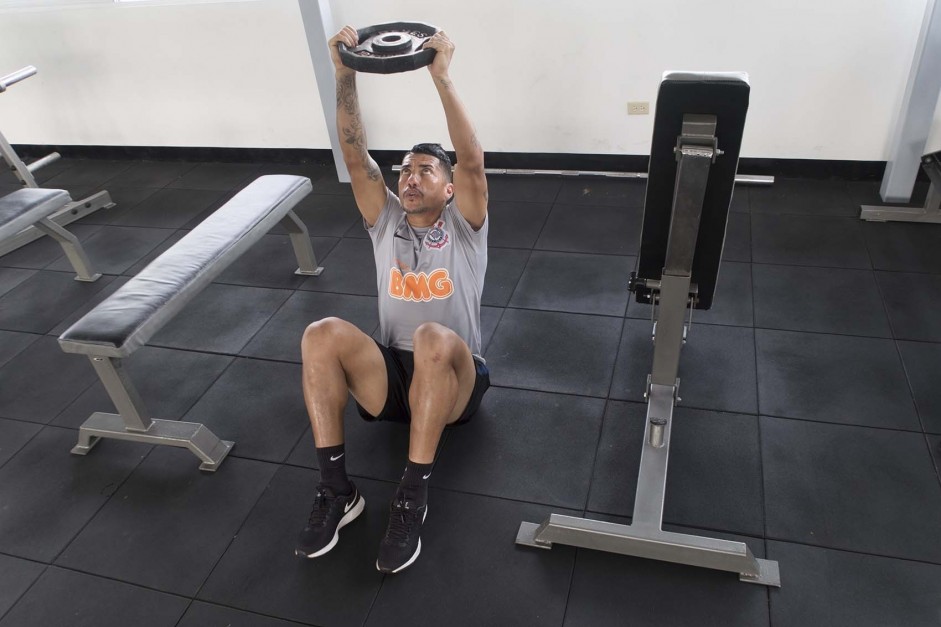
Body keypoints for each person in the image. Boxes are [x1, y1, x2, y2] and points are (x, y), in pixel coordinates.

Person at [295, 25, 490, 575]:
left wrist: (441, 76)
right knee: (321, 332)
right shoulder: (386, 224)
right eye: (405, 169)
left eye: (425, 170)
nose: (409, 177)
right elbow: (357, 157)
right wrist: (343, 76)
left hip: (457, 378)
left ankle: (411, 495)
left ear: (449, 189)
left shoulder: (466, 227)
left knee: (431, 336)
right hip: (392, 382)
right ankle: (336, 490)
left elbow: (472, 162)